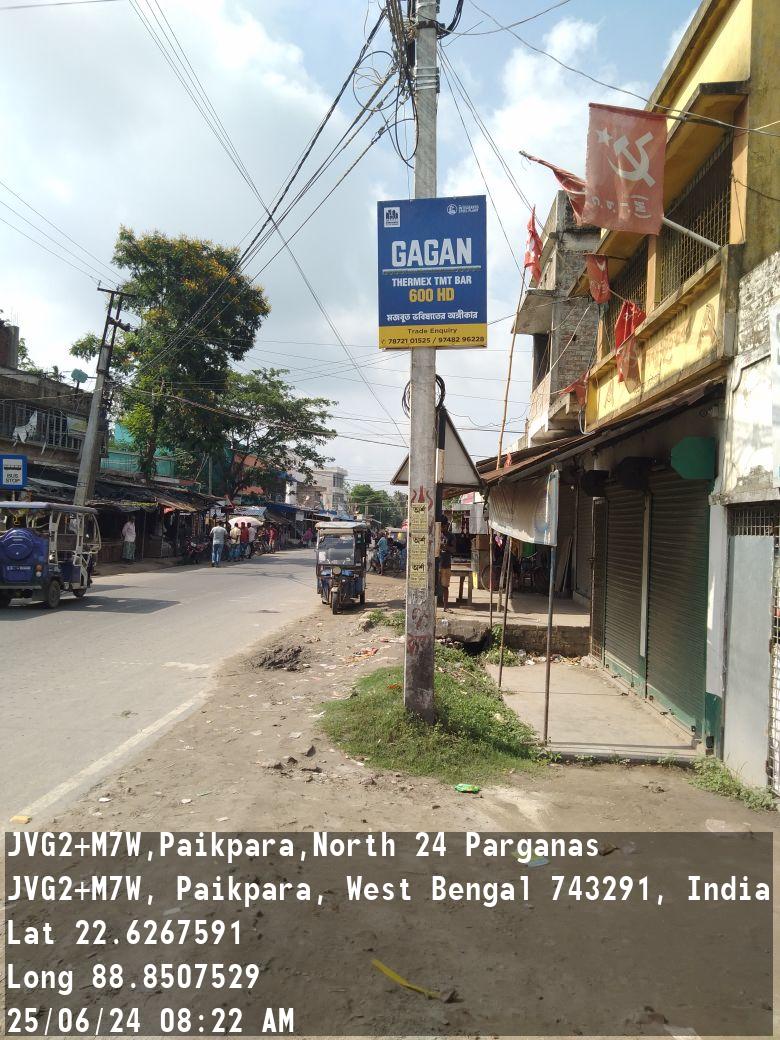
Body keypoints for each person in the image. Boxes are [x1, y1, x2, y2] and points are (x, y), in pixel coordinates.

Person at [439, 517, 455, 611]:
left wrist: (445, 547)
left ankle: (445, 607)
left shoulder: (451, 536)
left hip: (446, 564)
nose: (443, 528)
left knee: (445, 586)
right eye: (441, 526)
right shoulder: (436, 534)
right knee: (433, 586)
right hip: (436, 564)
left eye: (444, 526)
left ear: (446, 525)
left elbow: (454, 549)